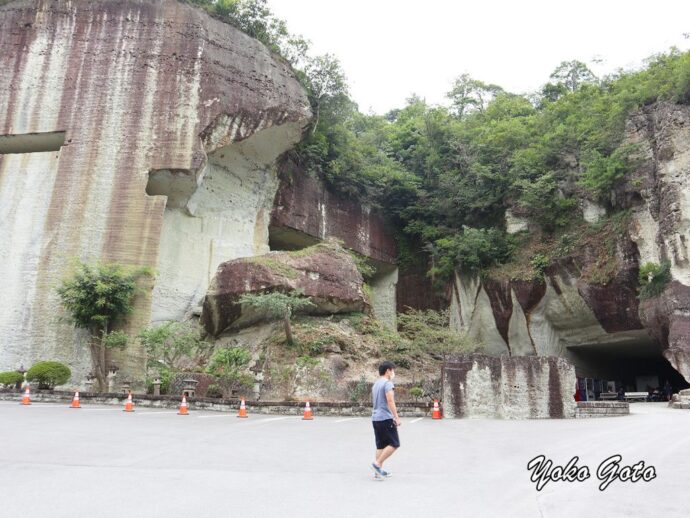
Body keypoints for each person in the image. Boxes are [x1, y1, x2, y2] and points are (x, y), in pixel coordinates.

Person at [370, 360, 401, 481]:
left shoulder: (376, 384)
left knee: (381, 445)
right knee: (394, 443)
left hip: (375, 418)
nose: (393, 373)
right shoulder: (388, 383)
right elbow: (390, 401)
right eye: (392, 370)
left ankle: (378, 473)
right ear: (388, 371)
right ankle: (377, 464)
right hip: (385, 418)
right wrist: (396, 417)